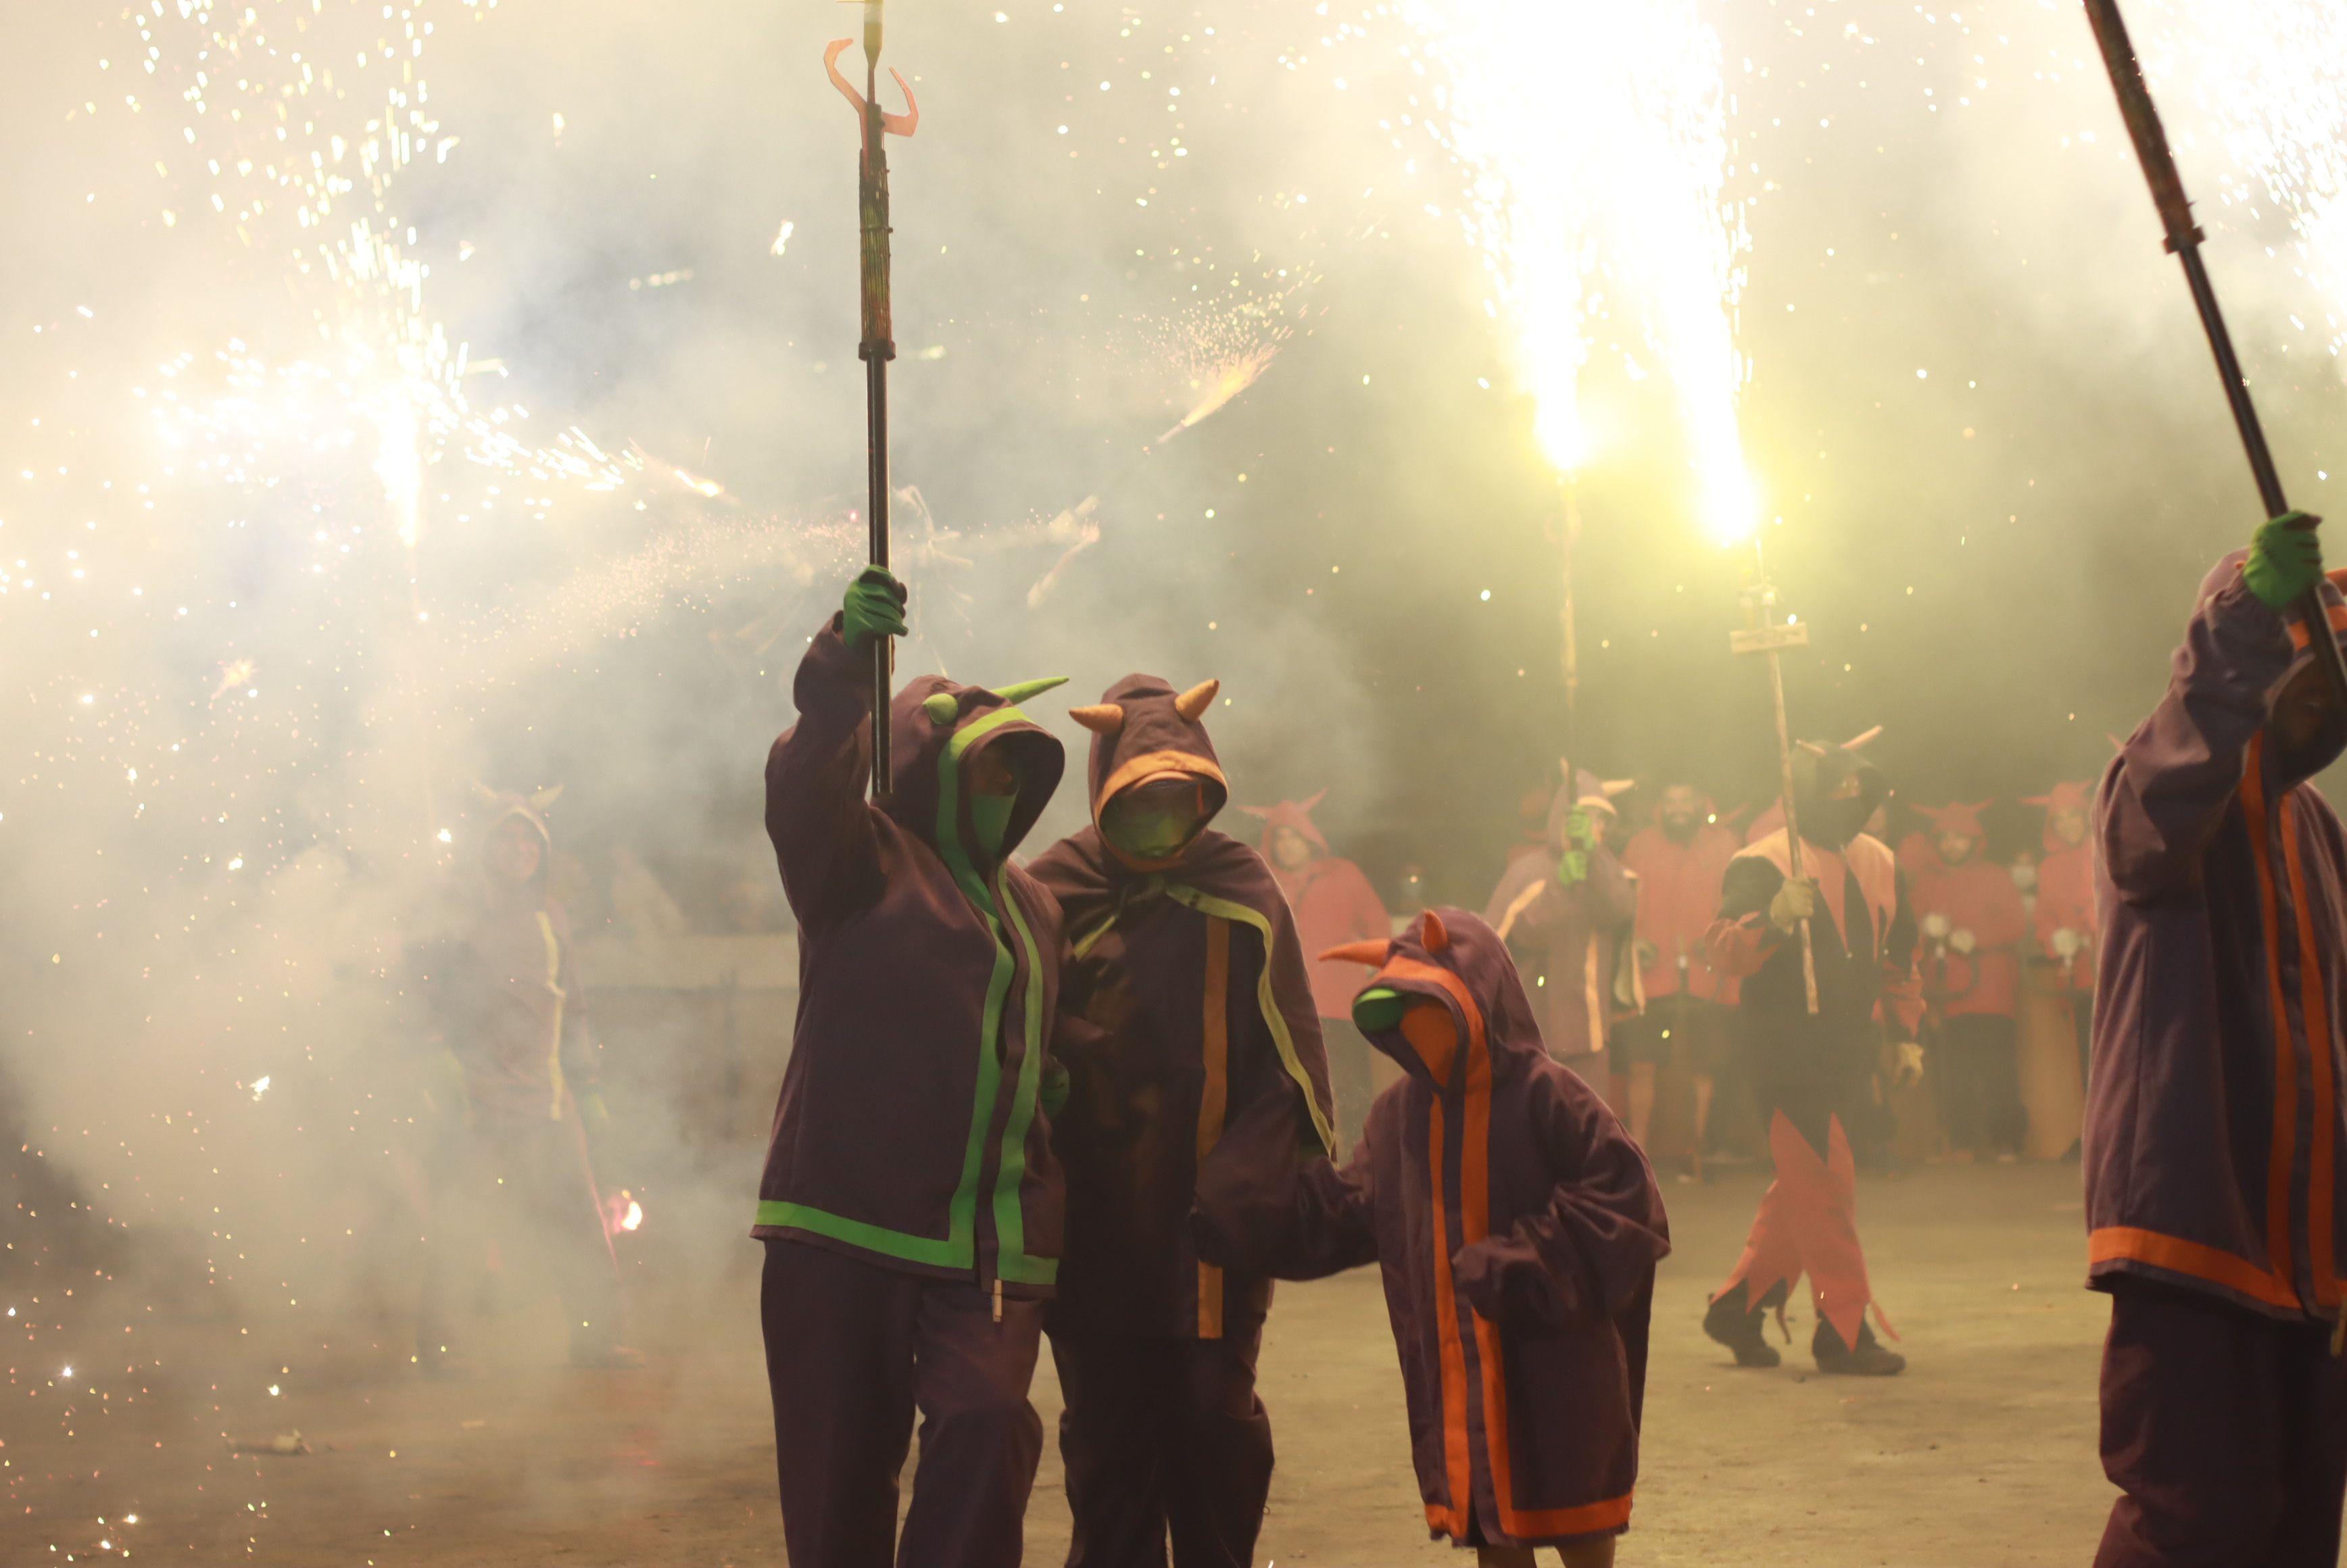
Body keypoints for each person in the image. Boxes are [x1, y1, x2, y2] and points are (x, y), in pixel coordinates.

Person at [754, 566, 1073, 1568]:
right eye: (987, 763)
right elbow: (806, 777)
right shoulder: (856, 861)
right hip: (839, 1230)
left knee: (987, 1426)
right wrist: (845, 664)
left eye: (1019, 768)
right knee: (839, 1484)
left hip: (983, 1246)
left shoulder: (1039, 910)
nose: (1006, 783)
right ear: (931, 762)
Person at [1192, 908, 1669, 1568]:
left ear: (1481, 996)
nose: (1419, 1030)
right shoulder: (1400, 1115)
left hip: (1555, 1361)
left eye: (1432, 1007)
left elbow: (1625, 1197)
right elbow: (1348, 1211)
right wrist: (1244, 1204)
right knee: (1493, 1525)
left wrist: (1526, 1261)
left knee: (1575, 1515)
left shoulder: (1548, 1095)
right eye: (1403, 1014)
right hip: (1456, 1369)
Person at [1030, 675, 1337, 1568]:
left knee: (1212, 1424)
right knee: (1109, 1438)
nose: (1161, 824)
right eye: (1141, 802)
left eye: (1178, 801)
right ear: (1106, 794)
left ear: (1204, 793)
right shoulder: (1057, 889)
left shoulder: (1237, 885)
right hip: (1097, 1219)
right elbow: (1010, 1012)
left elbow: (1289, 1050)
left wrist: (1259, 1180)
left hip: (1211, 1218)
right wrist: (1067, 1052)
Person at [2087, 513, 2347, 1567]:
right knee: (2195, 1522)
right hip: (2198, 1222)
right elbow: (2170, 793)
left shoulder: (2319, 830)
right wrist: (2243, 622)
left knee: (2295, 1527)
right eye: (2308, 664)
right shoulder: (2161, 785)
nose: (2325, 693)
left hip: (2311, 1252)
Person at [1700, 739, 1922, 1377]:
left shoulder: (1881, 861)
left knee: (1807, 1187)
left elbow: (1898, 956)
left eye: (1860, 793)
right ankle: (1843, 1331)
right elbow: (1722, 952)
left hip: (1851, 1049)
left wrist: (1907, 1033)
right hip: (1784, 1050)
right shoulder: (1760, 862)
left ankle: (1738, 1307)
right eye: (1838, 792)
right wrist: (1770, 918)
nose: (1852, 804)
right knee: (1826, 1188)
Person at [409, 786, 639, 1379]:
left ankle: (597, 1338)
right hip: (476, 1093)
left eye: (528, 838)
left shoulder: (551, 914)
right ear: (486, 848)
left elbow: (574, 1004)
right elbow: (427, 993)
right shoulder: (457, 911)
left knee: (575, 1216)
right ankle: (441, 1349)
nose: (518, 848)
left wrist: (586, 1083)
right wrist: (440, 1056)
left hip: (547, 1092)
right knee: (464, 1219)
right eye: (506, 837)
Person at [1241, 791, 1392, 1155]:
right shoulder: (1261, 883)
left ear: (1310, 836)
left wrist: (1374, 977)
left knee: (1348, 1090)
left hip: (1341, 1007)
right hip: (1283, 1010)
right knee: (1287, 1093)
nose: (1287, 846)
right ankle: (1303, 1170)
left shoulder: (1344, 874)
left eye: (1294, 836)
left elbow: (1380, 929)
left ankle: (1357, 1165)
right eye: (1280, 838)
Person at [1484, 764, 1639, 1083]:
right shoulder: (1530, 871)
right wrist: (1562, 886)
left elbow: (1622, 910)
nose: (1595, 825)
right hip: (1533, 1027)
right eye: (1585, 816)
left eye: (1600, 819)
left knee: (1587, 1123)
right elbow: (1521, 938)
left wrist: (1592, 860)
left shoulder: (1608, 873)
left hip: (1591, 1029)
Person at [1617, 782, 1741, 1170]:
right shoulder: (1639, 846)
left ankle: (1698, 1151)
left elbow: (1739, 899)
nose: (1678, 809)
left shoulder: (1725, 845)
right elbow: (1621, 900)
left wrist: (1721, 934)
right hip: (1651, 975)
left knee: (1705, 1066)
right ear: (1660, 807)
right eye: (1670, 801)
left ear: (1700, 803)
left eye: (1686, 800)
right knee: (1642, 1063)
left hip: (1707, 974)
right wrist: (1634, 941)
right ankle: (1639, 1152)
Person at [1908, 802, 2029, 1160]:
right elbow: (1910, 937)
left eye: (1958, 838)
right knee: (1954, 1071)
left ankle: (2007, 1141)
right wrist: (1926, 933)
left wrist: (1977, 937)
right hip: (1948, 994)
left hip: (1992, 991)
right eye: (1944, 838)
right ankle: (1961, 1143)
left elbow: (2017, 926)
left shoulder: (1995, 876)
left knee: (1997, 1067)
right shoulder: (1926, 884)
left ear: (1973, 840)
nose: (1951, 845)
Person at [2023, 779, 2098, 1090]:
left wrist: (2088, 934)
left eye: (2073, 815)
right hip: (2075, 976)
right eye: (2060, 819)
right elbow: (2043, 915)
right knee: (2086, 1055)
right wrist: (2056, 940)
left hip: (2110, 968)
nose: (2068, 824)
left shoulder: (2105, 850)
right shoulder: (2049, 867)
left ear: (2086, 815)